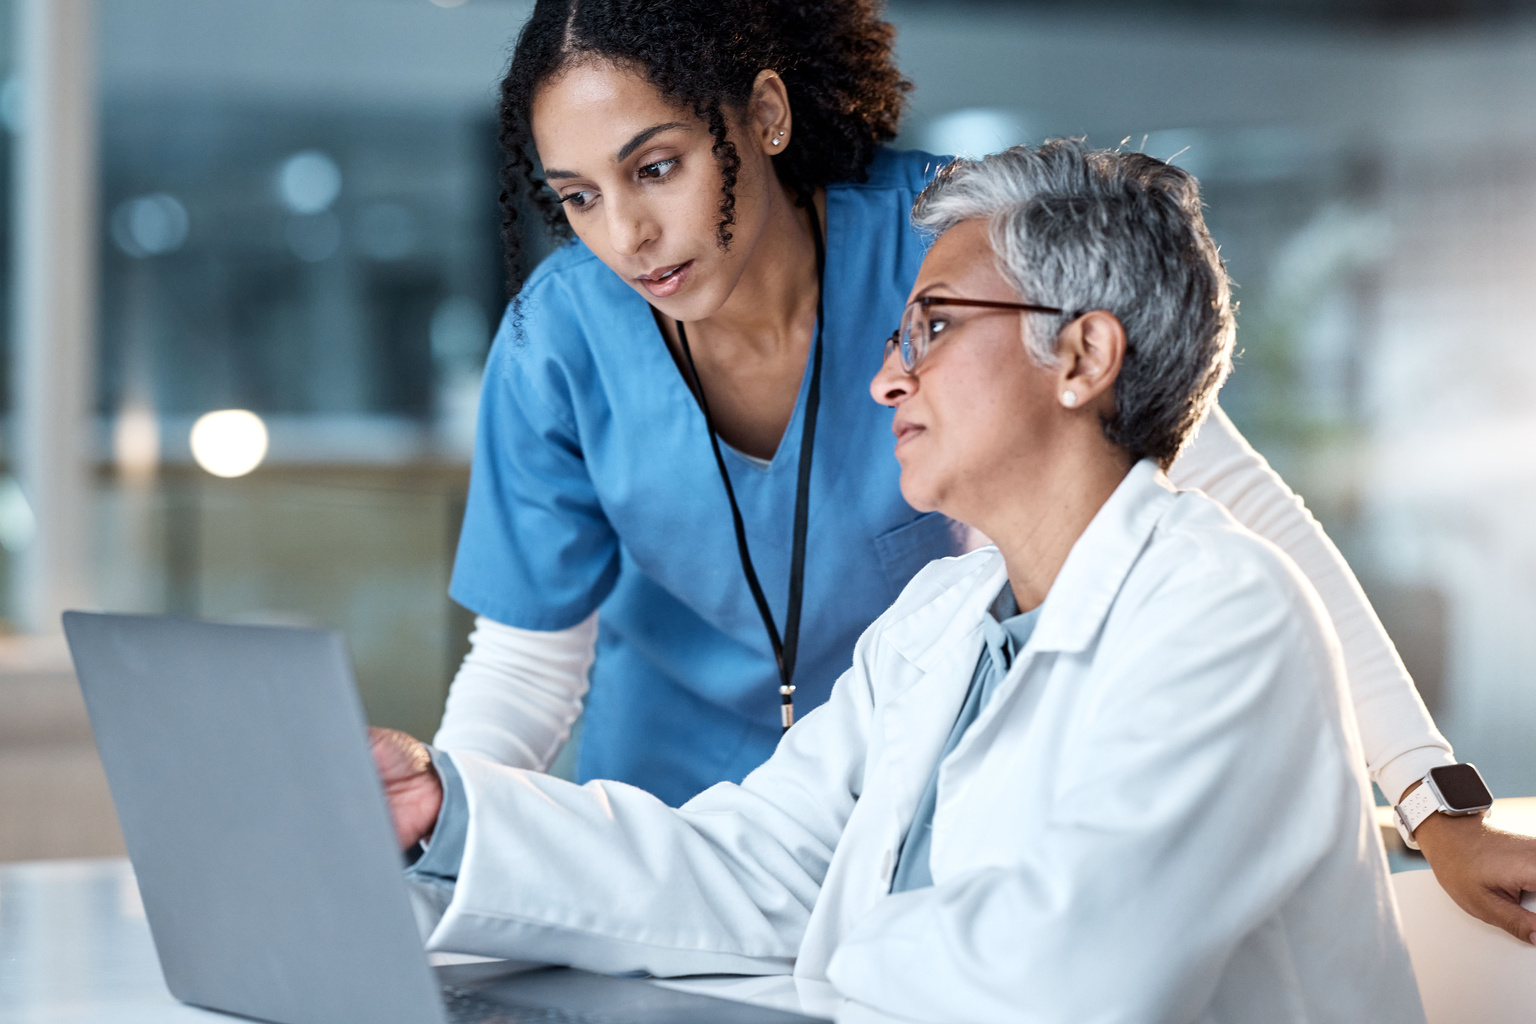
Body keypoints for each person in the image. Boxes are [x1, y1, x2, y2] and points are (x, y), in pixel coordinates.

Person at [436, 0, 1536, 939]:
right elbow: (528, 668)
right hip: (671, 846)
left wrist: (1432, 801)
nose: (627, 235)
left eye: (657, 167)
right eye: (577, 197)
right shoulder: (563, 340)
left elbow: (1241, 509)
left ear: (764, 115)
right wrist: (434, 840)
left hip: (909, 842)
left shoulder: (954, 252)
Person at [375, 142, 1425, 1022]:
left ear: (1082, 355)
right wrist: (449, 809)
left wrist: (826, 934)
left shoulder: (1223, 615)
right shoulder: (943, 619)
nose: (887, 377)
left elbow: (1065, 982)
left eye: (933, 326)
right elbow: (755, 864)